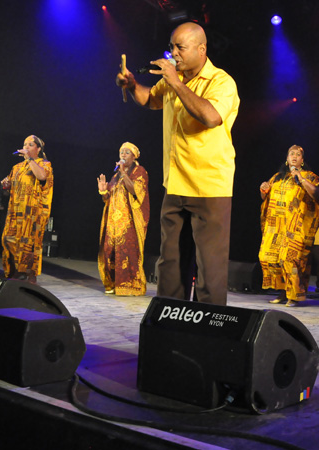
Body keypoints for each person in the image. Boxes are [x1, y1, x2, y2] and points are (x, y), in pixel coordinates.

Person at [116, 22, 239, 306]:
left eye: (180, 48)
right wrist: (133, 85)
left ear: (201, 49)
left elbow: (210, 117)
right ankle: (169, 320)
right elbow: (151, 100)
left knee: (210, 267)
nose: (174, 53)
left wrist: (175, 82)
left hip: (209, 187)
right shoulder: (177, 78)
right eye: (172, 47)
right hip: (175, 184)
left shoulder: (221, 82)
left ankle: (208, 330)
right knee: (170, 262)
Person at [258, 145, 319, 306]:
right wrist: (263, 191)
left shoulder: (310, 177)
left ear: (302, 161)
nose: (294, 157)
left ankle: (295, 295)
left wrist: (301, 179)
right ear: (287, 158)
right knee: (267, 257)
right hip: (275, 228)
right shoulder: (277, 177)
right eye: (292, 154)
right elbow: (265, 199)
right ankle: (283, 292)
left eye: (298, 155)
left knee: (289, 260)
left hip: (296, 227)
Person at [97, 142, 150, 296]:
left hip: (129, 222)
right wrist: (103, 191)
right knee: (109, 252)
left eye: (127, 152)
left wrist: (124, 174)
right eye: (121, 152)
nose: (123, 155)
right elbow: (109, 199)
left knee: (127, 253)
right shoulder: (115, 176)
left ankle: (131, 286)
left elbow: (135, 191)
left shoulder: (140, 171)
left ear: (134, 156)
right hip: (112, 223)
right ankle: (112, 284)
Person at [1, 135, 53, 284]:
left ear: (38, 149)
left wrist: (30, 159)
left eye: (30, 145)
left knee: (27, 243)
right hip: (15, 211)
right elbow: (9, 188)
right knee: (7, 239)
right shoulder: (17, 168)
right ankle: (15, 271)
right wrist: (6, 185)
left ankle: (27, 275)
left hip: (32, 213)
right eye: (25, 145)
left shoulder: (44, 164)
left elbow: (42, 176)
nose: (27, 147)